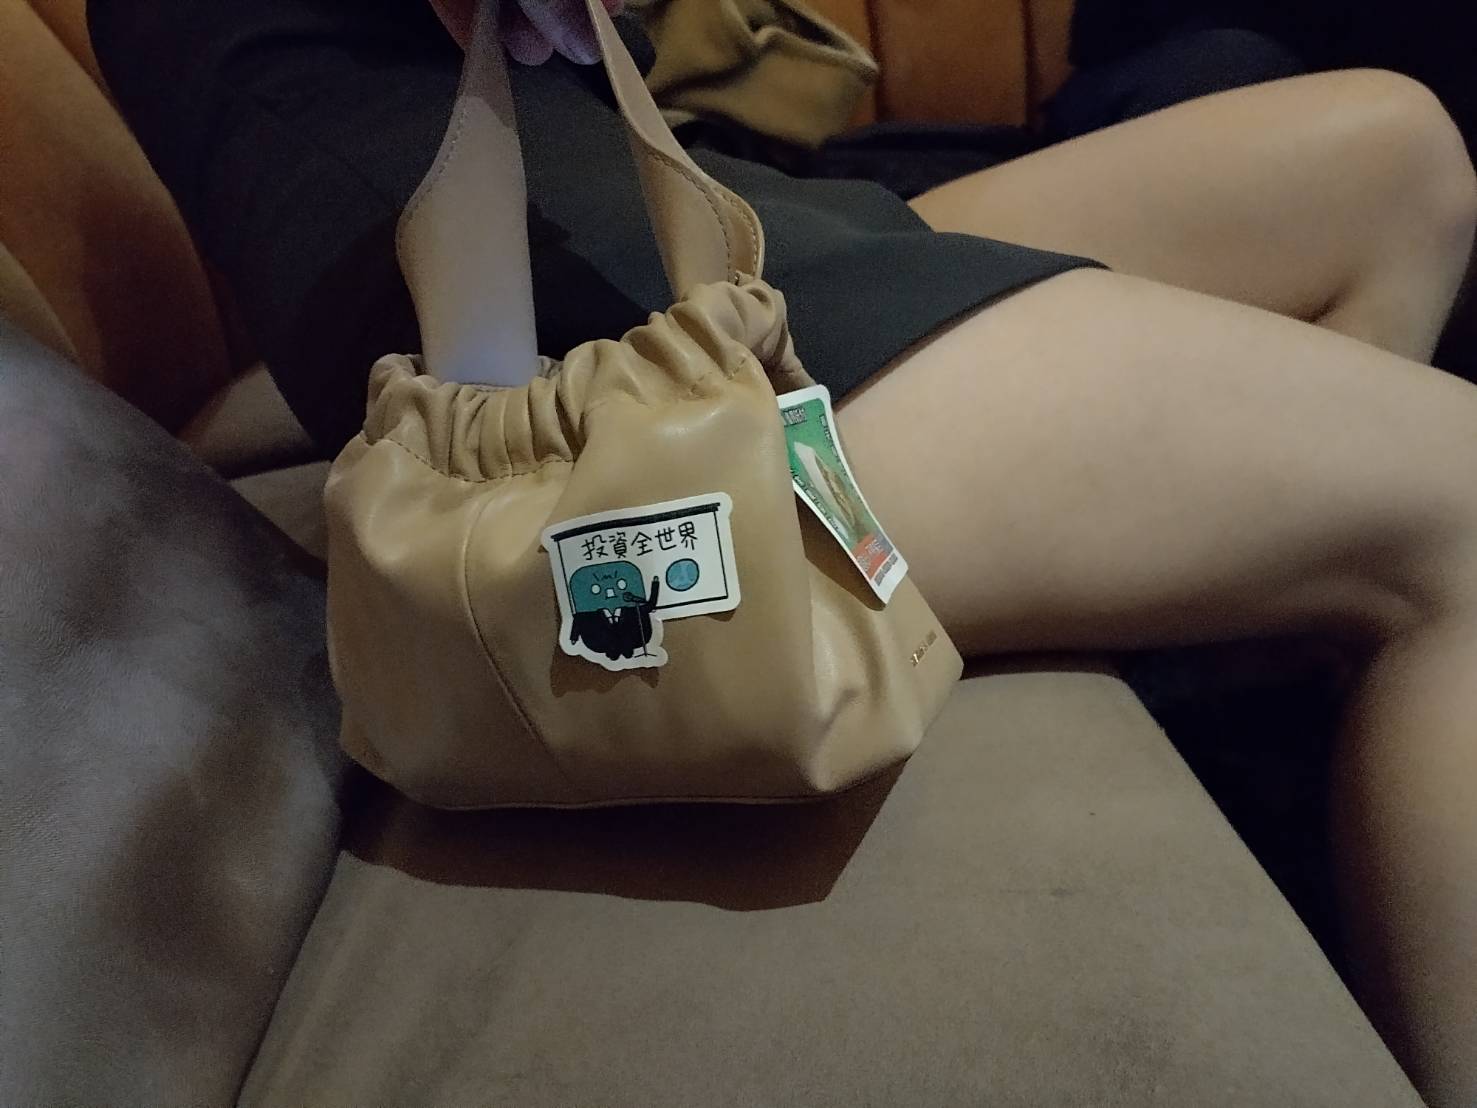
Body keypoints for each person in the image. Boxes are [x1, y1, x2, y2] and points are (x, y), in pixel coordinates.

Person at [88, 0, 1477, 1100]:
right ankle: (1358, 578)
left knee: (1395, 154)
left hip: (638, 194)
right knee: (1462, 501)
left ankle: (1296, 623)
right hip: (554, 296)